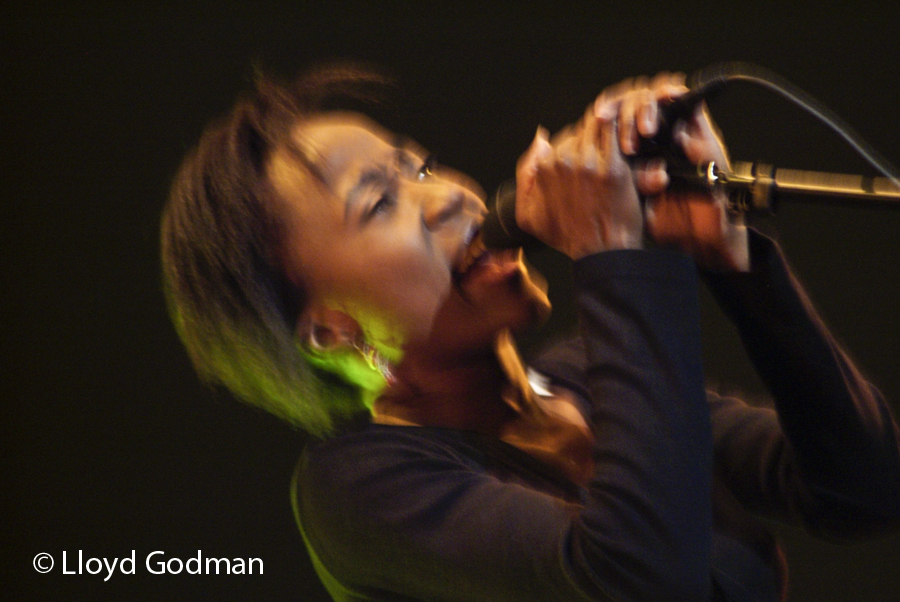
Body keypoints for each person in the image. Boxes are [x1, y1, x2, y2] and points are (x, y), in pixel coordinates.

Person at [160, 66, 900, 601]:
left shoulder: (585, 377)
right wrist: (621, 259)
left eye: (419, 163)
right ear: (330, 329)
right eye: (382, 200)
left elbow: (862, 485)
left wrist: (734, 265)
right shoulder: (359, 489)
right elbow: (640, 574)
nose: (452, 195)